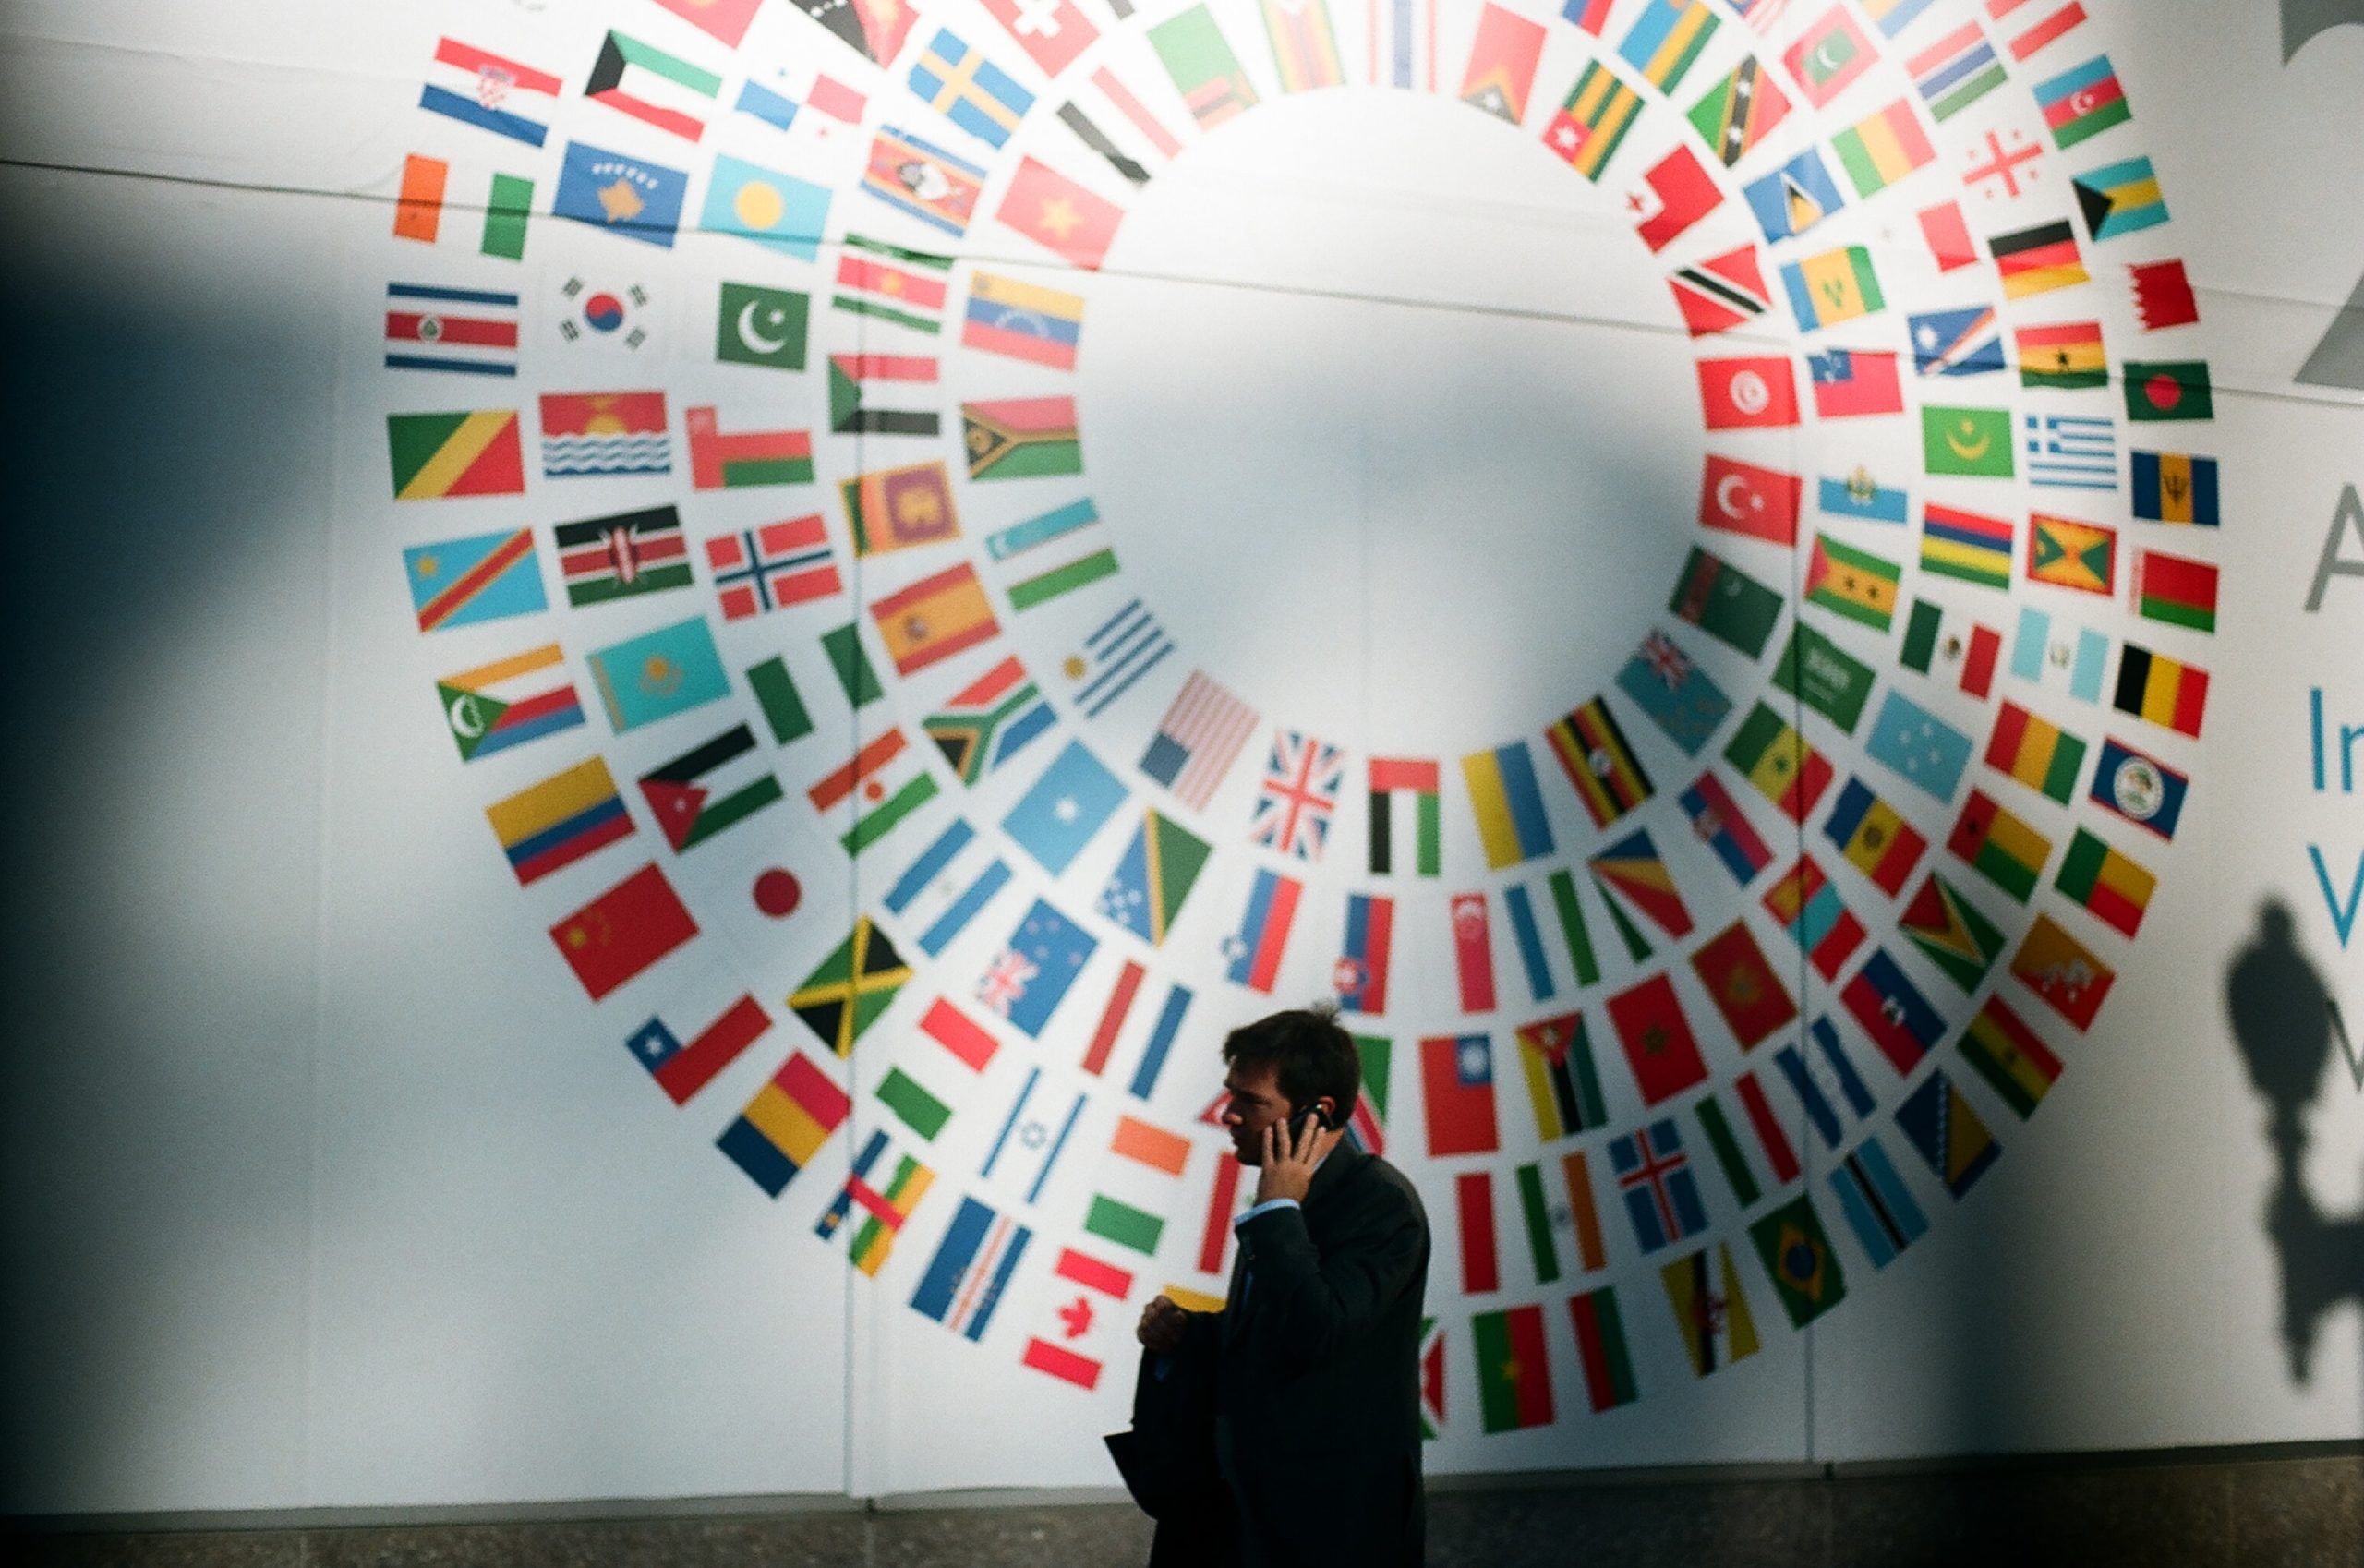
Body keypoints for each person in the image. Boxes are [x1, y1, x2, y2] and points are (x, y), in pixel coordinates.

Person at [1122, 1007, 1430, 1567]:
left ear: (1318, 1112)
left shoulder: (1380, 1205)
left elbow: (1321, 1331)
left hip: (1324, 1533)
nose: (1229, 1115)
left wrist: (1278, 1211)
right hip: (1239, 1517)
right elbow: (1272, 1335)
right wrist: (1185, 1335)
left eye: (1250, 1101)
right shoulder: (1284, 1197)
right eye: (1230, 1094)